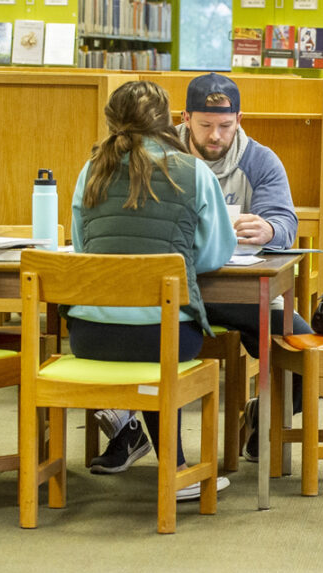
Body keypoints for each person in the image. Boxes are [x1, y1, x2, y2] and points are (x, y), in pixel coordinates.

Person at [94, 73, 311, 467]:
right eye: (205, 126)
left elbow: (285, 222)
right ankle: (129, 431)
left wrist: (271, 229)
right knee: (152, 338)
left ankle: (264, 415)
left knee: (301, 344)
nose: (216, 136)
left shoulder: (260, 161)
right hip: (169, 292)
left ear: (239, 119)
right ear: (184, 118)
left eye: (226, 126)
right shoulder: (159, 156)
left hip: (234, 291)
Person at [68, 80, 236, 500]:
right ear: (167, 123)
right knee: (160, 342)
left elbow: (81, 249)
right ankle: (176, 469)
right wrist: (167, 268)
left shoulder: (90, 170)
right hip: (164, 335)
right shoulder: (194, 173)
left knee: (145, 343)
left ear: (110, 121)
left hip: (90, 336)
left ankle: (149, 448)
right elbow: (215, 253)